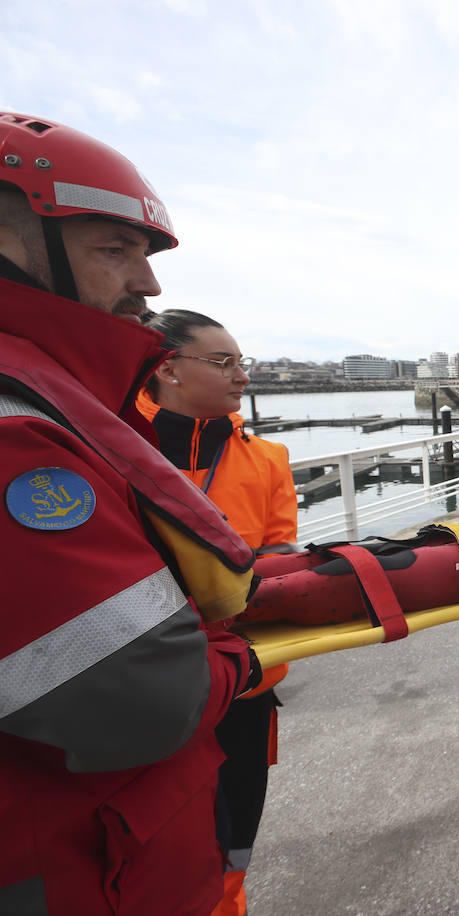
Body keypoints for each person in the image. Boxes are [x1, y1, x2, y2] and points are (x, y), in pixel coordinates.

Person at [0, 112, 260, 914]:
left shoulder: (58, 407)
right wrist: (237, 660)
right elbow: (141, 696)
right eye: (113, 249)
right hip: (75, 865)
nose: (148, 285)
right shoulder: (22, 435)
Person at [140, 309, 298, 916]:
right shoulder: (113, 445)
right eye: (223, 362)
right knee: (166, 852)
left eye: (242, 362)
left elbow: (281, 555)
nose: (241, 377)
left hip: (243, 678)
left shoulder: (267, 458)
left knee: (235, 844)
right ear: (166, 369)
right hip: (150, 684)